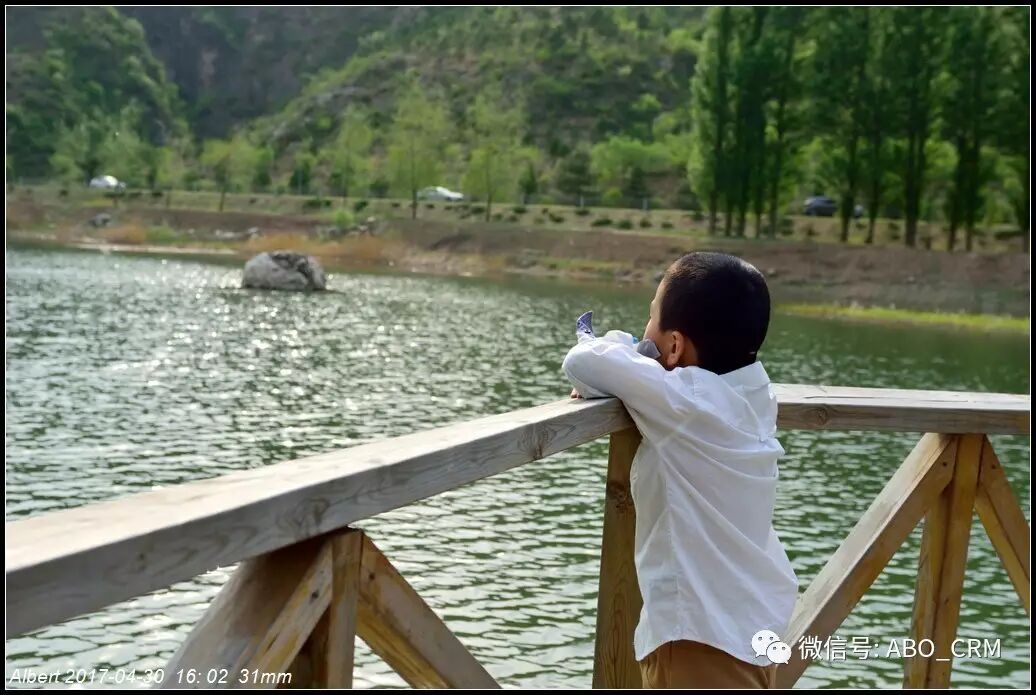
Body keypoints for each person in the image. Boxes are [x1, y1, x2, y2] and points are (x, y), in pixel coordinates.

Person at [563, 251, 797, 689]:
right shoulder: (755, 393)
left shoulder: (686, 401)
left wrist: (626, 347)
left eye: (650, 318)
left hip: (698, 639)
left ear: (674, 346)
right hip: (754, 628)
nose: (644, 331)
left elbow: (583, 362)